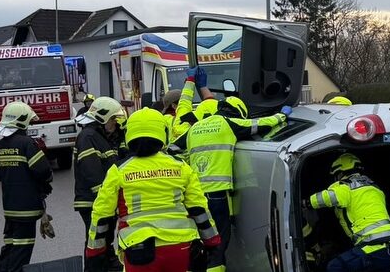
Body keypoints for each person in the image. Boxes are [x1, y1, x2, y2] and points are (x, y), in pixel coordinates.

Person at [86, 108, 220, 272]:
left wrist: (95, 252)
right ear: (162, 133)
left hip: (138, 250)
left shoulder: (119, 170)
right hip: (180, 248)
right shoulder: (181, 166)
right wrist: (212, 242)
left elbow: (101, 214)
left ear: (129, 134)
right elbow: (199, 208)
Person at [184, 96, 287, 272]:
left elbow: (173, 149)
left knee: (201, 241)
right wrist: (281, 116)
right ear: (238, 112)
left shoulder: (194, 129)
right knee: (219, 243)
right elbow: (259, 124)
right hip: (217, 194)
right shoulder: (227, 124)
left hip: (194, 196)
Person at [307, 153, 390, 272]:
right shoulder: (375, 188)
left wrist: (307, 202)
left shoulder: (347, 186)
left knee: (334, 267)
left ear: (340, 173)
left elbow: (330, 196)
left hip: (374, 247)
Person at [0, 101, 54, 272]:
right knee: (22, 250)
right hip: (27, 208)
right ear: (23, 121)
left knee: (10, 246)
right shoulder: (27, 143)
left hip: (10, 207)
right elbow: (43, 171)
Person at [74, 96, 125, 271]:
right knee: (95, 243)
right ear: (102, 118)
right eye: (113, 119)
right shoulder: (88, 136)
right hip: (92, 202)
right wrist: (106, 200)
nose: (115, 123)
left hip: (102, 201)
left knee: (103, 242)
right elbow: (92, 173)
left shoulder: (101, 137)